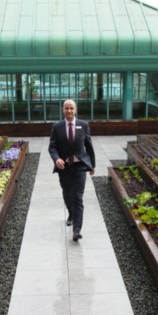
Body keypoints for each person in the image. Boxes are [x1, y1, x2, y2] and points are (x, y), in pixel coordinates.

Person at [49, 99, 95, 241]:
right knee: (67, 194)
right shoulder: (57, 127)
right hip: (64, 168)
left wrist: (92, 165)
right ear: (63, 110)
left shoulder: (83, 125)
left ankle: (77, 230)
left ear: (75, 110)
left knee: (78, 197)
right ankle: (70, 213)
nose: (69, 111)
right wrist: (57, 159)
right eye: (66, 108)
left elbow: (89, 146)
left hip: (80, 166)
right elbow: (52, 147)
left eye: (71, 108)